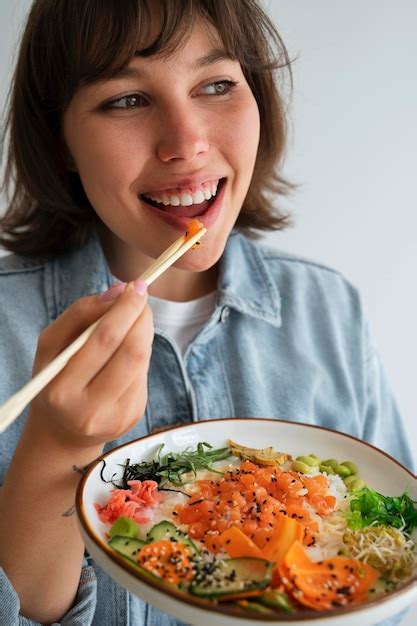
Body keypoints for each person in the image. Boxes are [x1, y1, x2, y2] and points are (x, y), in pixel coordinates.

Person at [0, 1, 414, 625]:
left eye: (217, 85)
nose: (188, 144)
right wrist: (59, 446)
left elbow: (395, 573)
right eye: (127, 100)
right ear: (59, 137)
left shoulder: (329, 312)